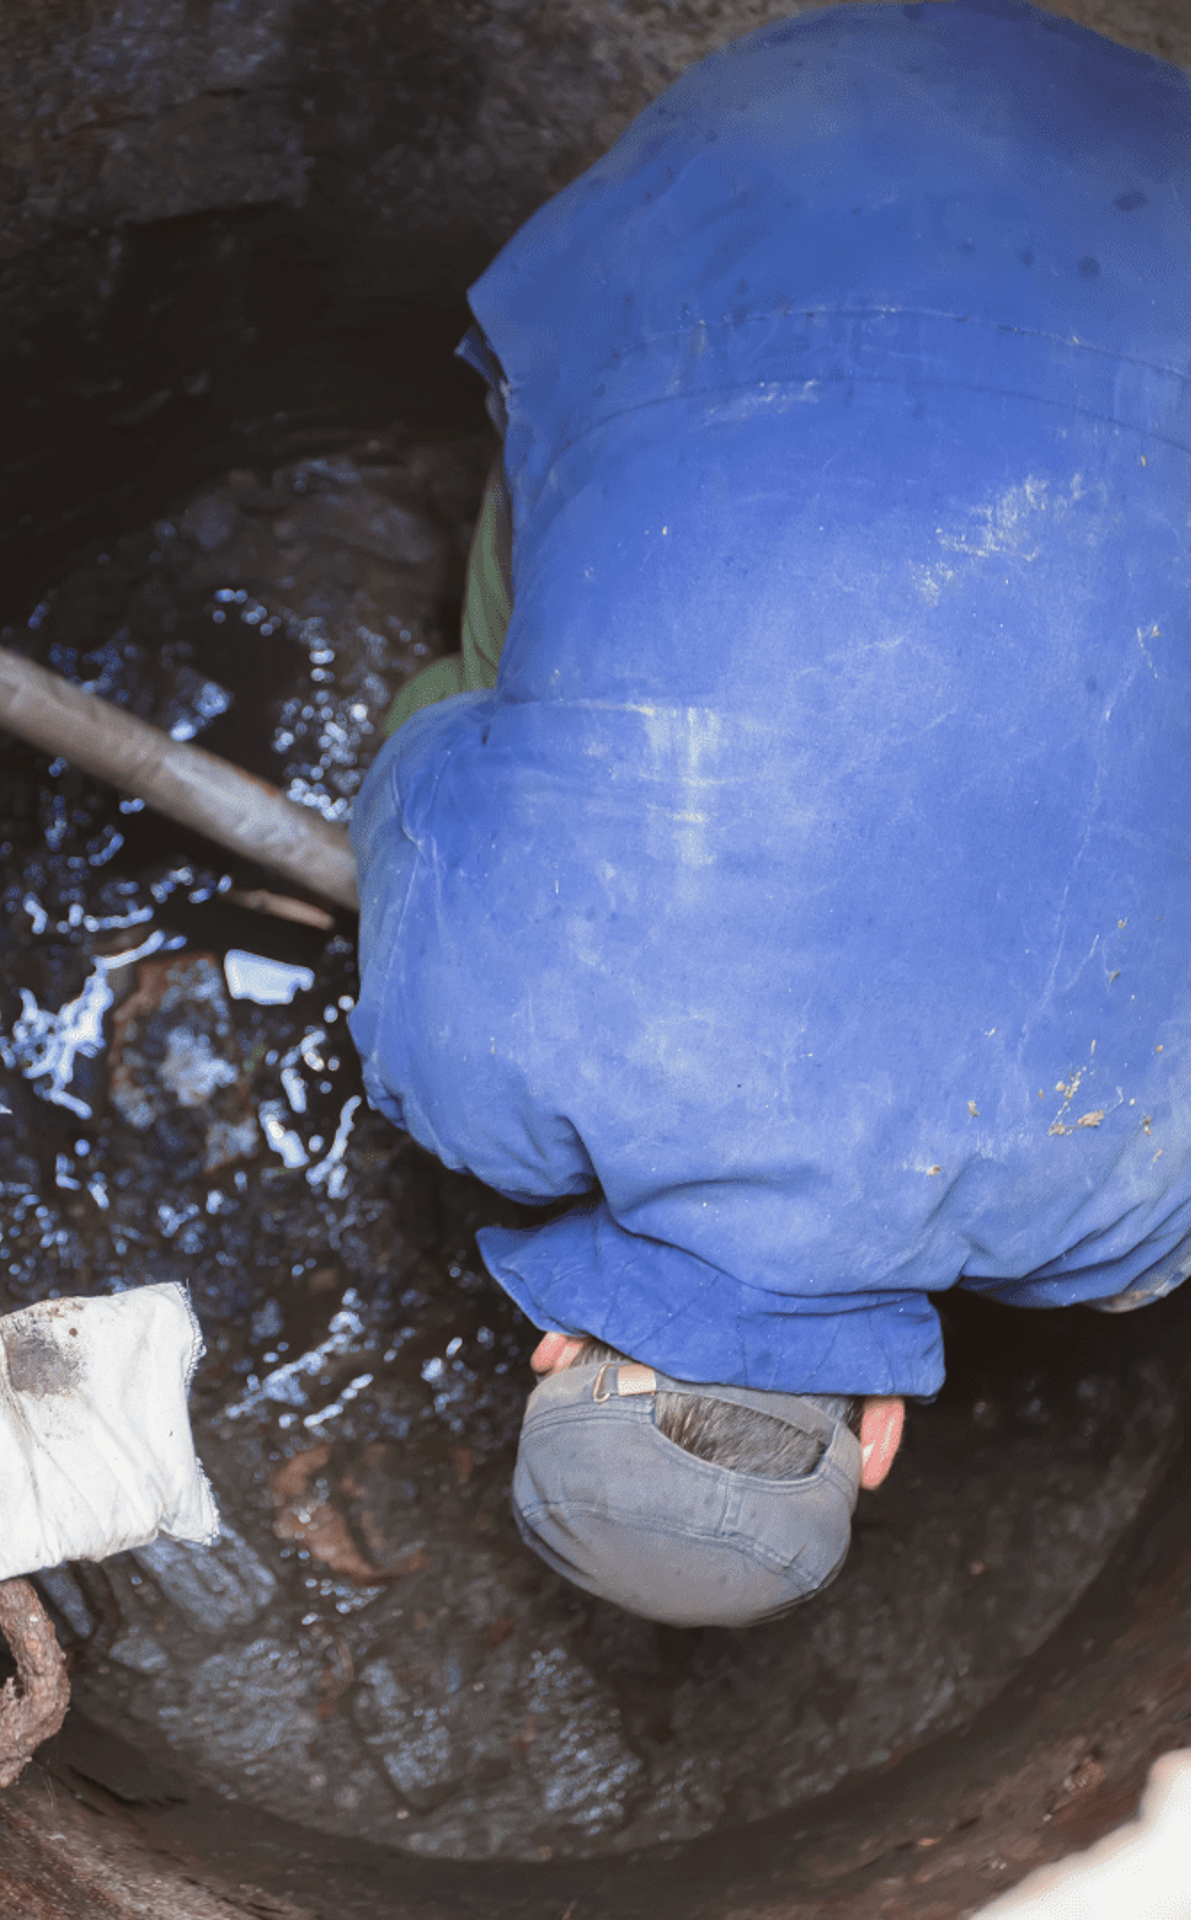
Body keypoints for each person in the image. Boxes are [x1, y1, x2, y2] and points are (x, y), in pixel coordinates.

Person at [348, 0, 1191, 1629]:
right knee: (480, 700)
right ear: (555, 1350)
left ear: (875, 1439)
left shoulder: (1137, 1211)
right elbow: (419, 761)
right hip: (793, 143)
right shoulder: (467, 1061)